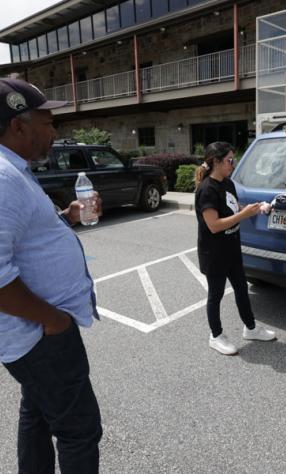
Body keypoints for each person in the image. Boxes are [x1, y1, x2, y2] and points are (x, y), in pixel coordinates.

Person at [0, 78, 103, 473]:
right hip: (40, 334)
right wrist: (54, 321)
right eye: (47, 121)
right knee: (79, 430)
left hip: (37, 333)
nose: (54, 131)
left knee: (38, 413)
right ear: (18, 126)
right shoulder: (4, 179)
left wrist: (67, 217)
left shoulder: (16, 170)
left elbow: (25, 239)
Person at [195, 141, 276, 355]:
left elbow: (234, 208)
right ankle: (216, 335)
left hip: (231, 249)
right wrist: (244, 214)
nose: (233, 163)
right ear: (216, 162)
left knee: (242, 289)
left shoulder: (227, 184)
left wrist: (258, 208)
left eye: (234, 159)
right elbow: (214, 225)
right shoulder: (207, 190)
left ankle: (251, 328)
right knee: (216, 295)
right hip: (214, 253)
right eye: (230, 160)